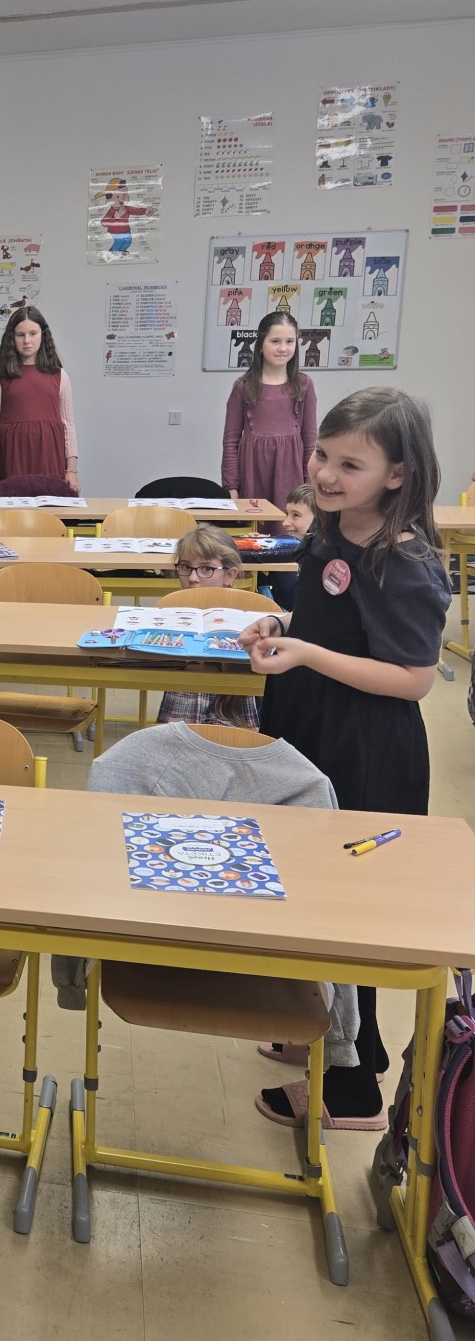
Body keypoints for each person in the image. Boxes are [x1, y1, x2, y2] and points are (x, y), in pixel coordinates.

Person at [238, 388, 449, 1129]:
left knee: (348, 907)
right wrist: (282, 624)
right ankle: (330, 1033)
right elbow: (328, 622)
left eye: (349, 464)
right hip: (310, 722)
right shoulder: (330, 529)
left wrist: (309, 653)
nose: (325, 474)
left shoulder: (405, 562)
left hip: (365, 744)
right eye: (322, 455)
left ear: (397, 474)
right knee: (303, 885)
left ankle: (357, 1083)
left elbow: (414, 678)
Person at [155, 526, 260, 731]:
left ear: (230, 575)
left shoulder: (250, 617)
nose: (192, 578)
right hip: (180, 715)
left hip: (236, 721)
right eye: (185, 567)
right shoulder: (171, 612)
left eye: (206, 569)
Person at [220, 309, 317, 511]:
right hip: (253, 473)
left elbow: (310, 438)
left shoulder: (304, 385)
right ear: (261, 345)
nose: (283, 348)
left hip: (291, 473)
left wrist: (310, 482)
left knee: (287, 525)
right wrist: (231, 486)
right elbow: (230, 441)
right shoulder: (243, 387)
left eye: (289, 342)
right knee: (255, 526)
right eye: (275, 341)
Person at [0, 306, 78, 494]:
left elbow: (68, 425)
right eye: (20, 335)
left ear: (43, 335)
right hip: (12, 458)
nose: (27, 341)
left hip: (50, 457)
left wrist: (71, 470)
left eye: (33, 333)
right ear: (12, 338)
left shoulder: (60, 376)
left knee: (50, 508)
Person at [269, 482, 316, 612]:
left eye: (296, 515)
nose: (285, 523)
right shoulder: (292, 548)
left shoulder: (323, 558)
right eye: (287, 514)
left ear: (319, 519)